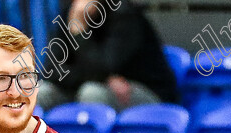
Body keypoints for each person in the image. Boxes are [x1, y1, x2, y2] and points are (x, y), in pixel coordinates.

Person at [37, 0, 178, 111]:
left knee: (91, 93)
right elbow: (51, 71)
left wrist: (79, 31)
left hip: (146, 92)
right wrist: (103, 78)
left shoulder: (124, 13)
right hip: (94, 86)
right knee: (40, 93)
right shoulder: (70, 12)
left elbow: (105, 66)